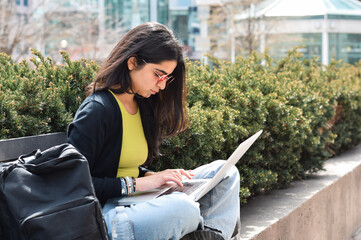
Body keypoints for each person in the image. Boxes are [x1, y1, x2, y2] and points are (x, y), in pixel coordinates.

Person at [67, 22, 240, 240]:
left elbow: (122, 165)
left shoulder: (142, 106)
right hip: (108, 216)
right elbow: (73, 183)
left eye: (167, 77)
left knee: (225, 172)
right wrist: (141, 183)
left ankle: (214, 235)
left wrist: (156, 177)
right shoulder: (97, 110)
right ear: (132, 62)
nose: (162, 85)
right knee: (182, 208)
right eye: (158, 74)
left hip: (138, 201)